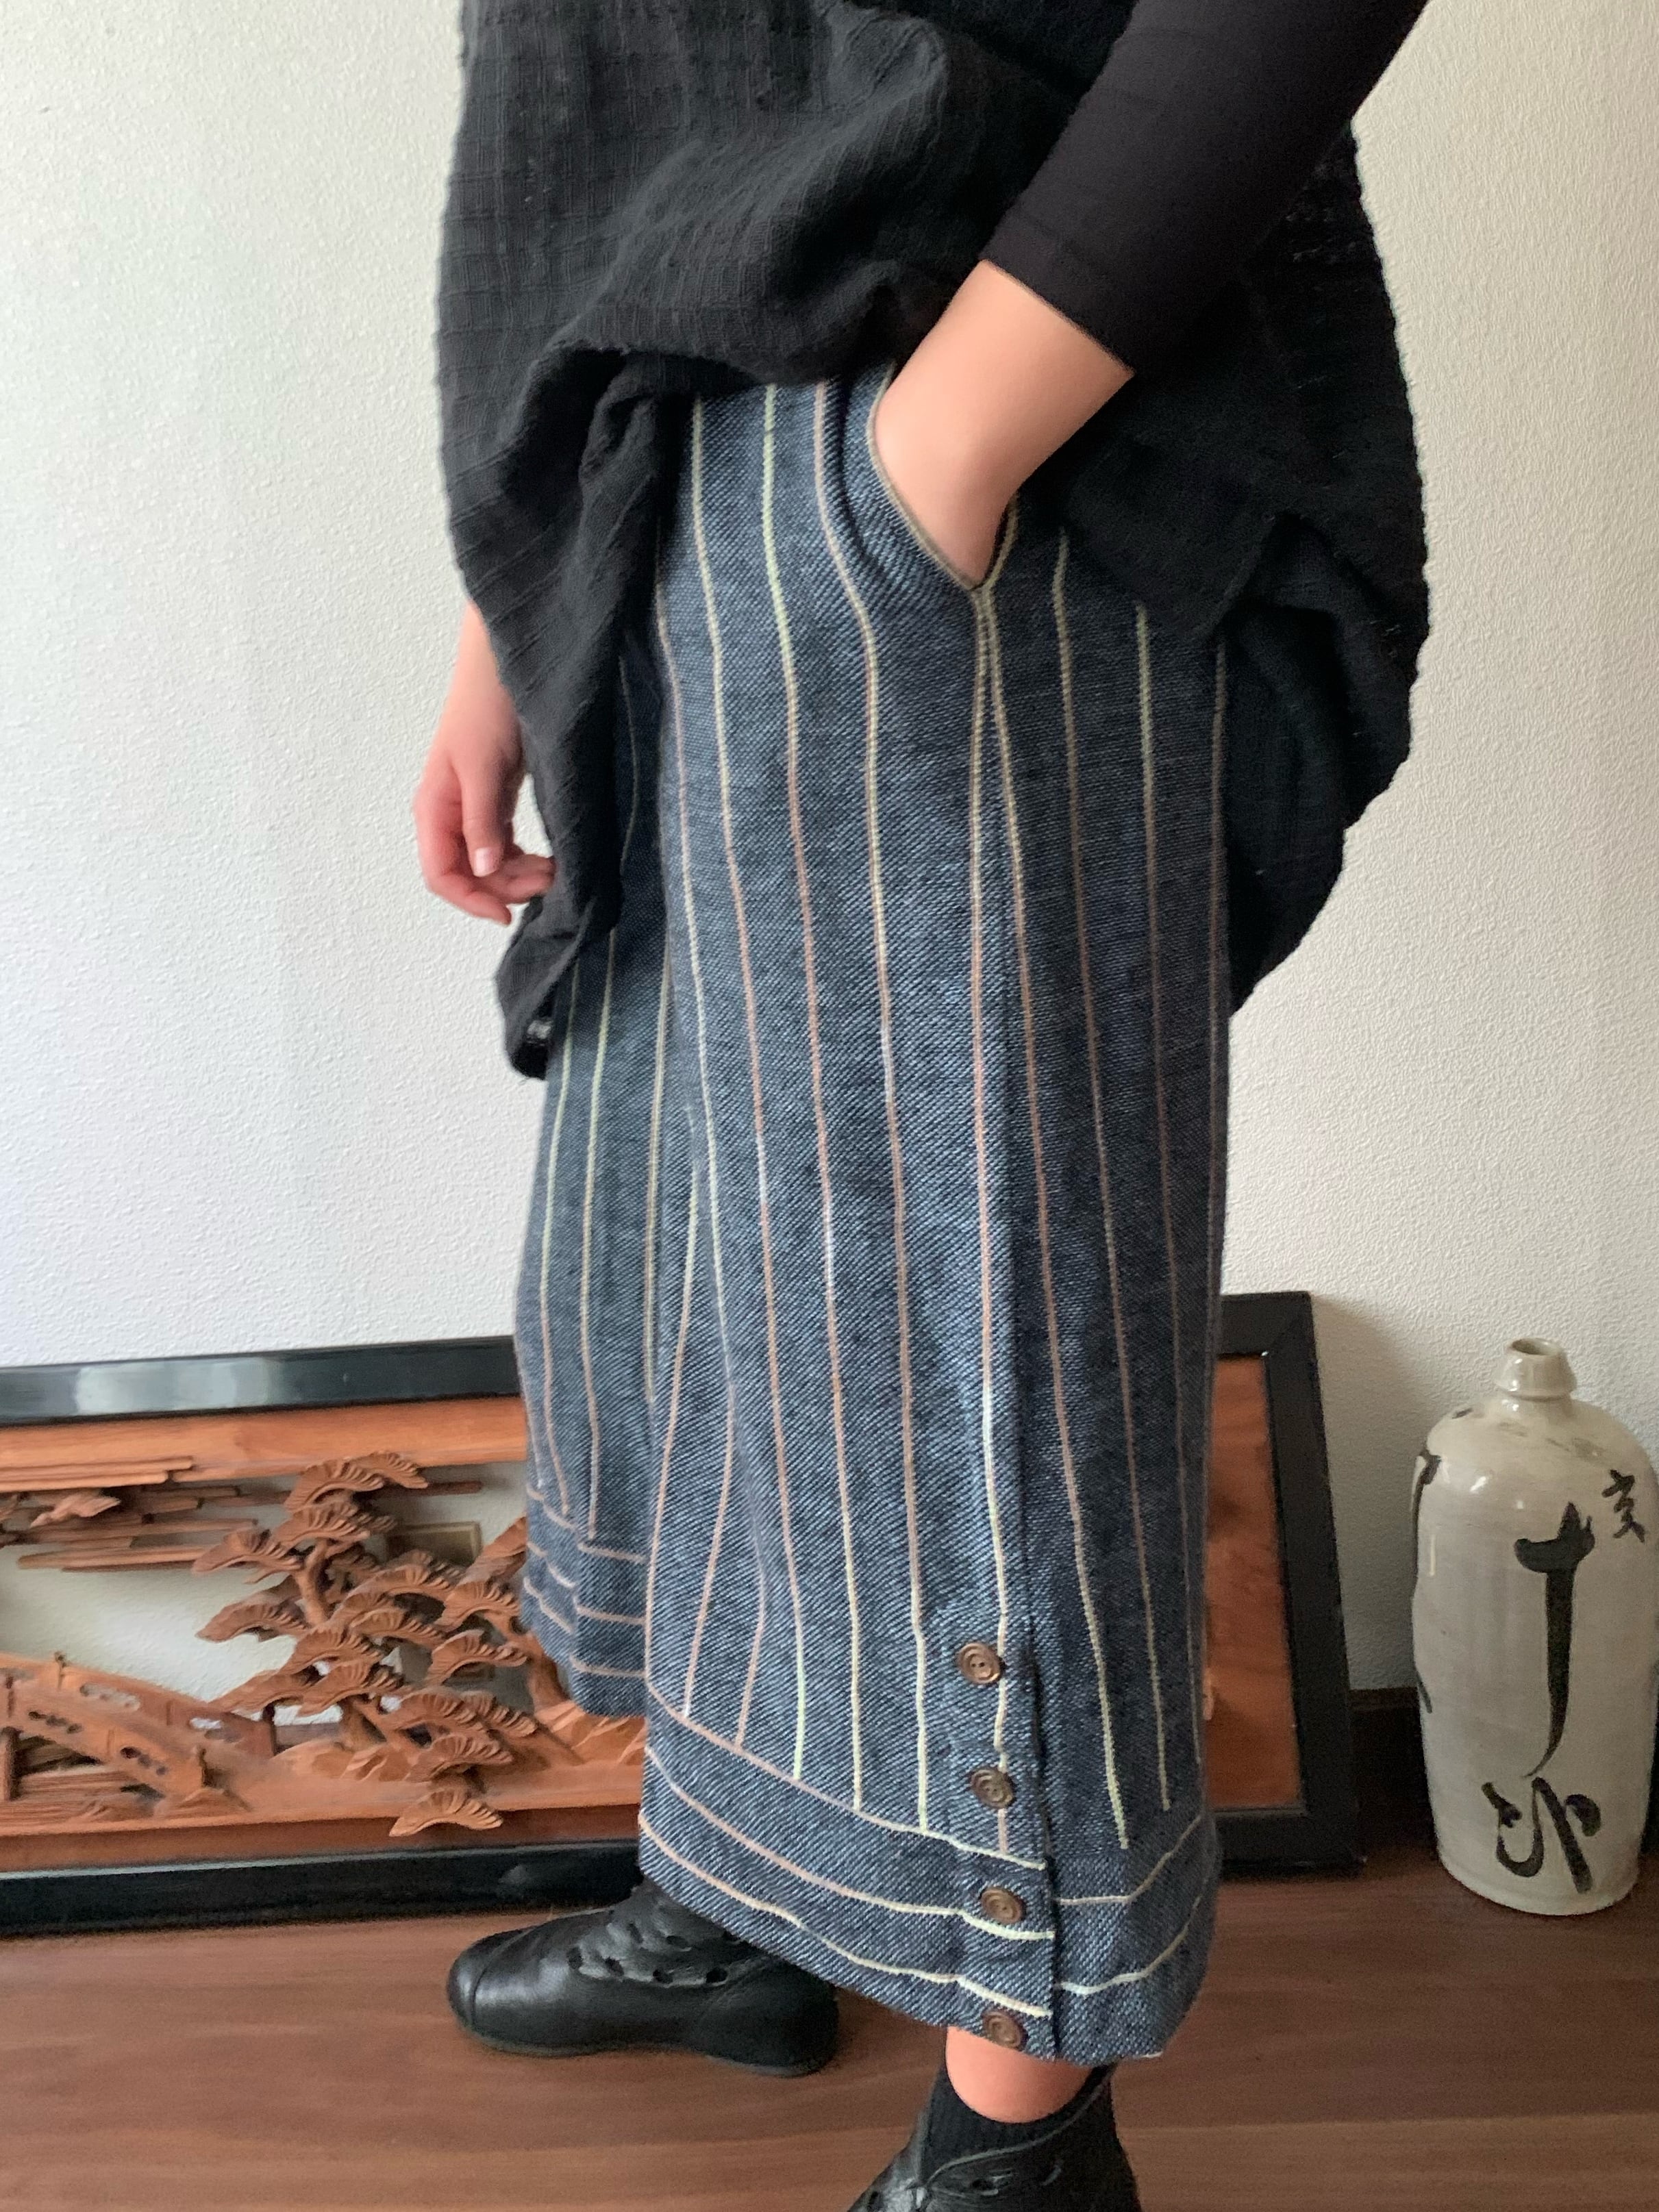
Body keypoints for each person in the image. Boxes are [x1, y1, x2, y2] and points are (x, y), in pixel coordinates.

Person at [415, 3, 1433, 2204]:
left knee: (968, 1359)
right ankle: (751, 1897)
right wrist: (523, 603)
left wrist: (948, 447)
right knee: (681, 1292)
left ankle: (1016, 2150)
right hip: (660, 474)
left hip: (967, 424)